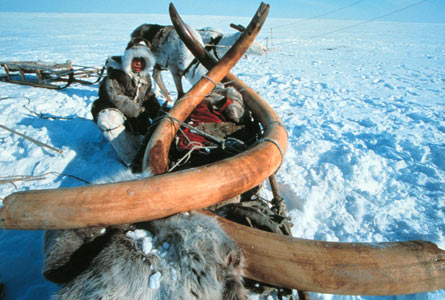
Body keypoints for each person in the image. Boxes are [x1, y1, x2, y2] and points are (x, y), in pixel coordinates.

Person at [91, 37, 161, 166]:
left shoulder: (145, 77)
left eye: (142, 60)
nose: (139, 63)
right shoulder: (116, 75)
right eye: (135, 59)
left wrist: (158, 112)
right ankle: (130, 161)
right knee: (109, 119)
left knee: (142, 143)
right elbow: (117, 99)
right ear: (128, 59)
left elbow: (148, 97)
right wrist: (140, 111)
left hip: (135, 116)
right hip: (113, 110)